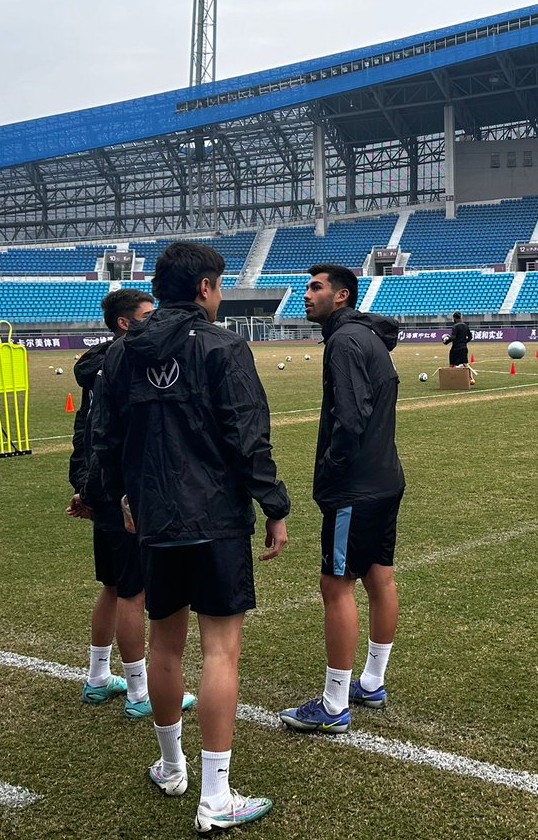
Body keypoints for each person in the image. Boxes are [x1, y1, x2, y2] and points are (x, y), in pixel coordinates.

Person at [85, 242, 290, 833]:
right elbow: (247, 434)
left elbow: (105, 436)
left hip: (153, 519)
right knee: (221, 649)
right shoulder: (225, 345)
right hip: (217, 520)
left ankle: (172, 767)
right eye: (219, 285)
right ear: (204, 288)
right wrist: (273, 505)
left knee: (166, 645)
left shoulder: (121, 354)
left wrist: (118, 497)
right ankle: (215, 796)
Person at [279, 263, 405, 734]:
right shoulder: (367, 337)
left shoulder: (344, 341)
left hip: (356, 486)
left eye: (315, 288)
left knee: (337, 586)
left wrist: (331, 471)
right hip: (385, 478)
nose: (305, 295)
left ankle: (334, 705)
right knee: (379, 578)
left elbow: (350, 419)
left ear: (342, 296)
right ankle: (371, 681)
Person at [69, 288, 199, 719]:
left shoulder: (97, 366)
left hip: (101, 488)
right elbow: (114, 435)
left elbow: (84, 435)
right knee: (132, 591)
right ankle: (140, 691)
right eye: (147, 315)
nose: (155, 320)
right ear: (125, 323)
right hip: (122, 493)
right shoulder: (124, 364)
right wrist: (110, 491)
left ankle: (98, 677)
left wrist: (85, 487)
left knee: (112, 585)